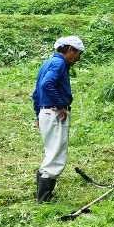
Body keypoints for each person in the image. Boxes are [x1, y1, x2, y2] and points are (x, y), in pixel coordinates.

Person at [32, 36, 85, 202]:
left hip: (45, 113)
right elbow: (46, 85)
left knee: (51, 152)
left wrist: (38, 115)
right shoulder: (59, 64)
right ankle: (44, 200)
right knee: (56, 156)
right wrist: (60, 105)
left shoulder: (47, 63)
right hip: (54, 114)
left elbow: (36, 94)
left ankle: (42, 195)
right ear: (70, 49)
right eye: (78, 54)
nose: (78, 58)